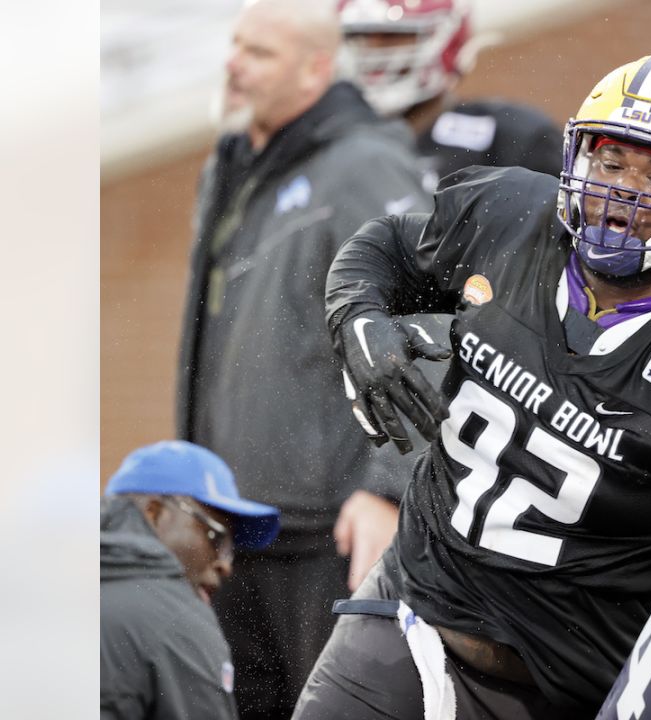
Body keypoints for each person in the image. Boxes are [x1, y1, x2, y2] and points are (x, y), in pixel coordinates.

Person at [292, 56, 651, 719]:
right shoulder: (510, 214)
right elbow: (383, 249)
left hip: (571, 685)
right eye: (611, 164)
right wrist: (360, 321)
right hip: (411, 612)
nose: (624, 192)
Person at [174, 0, 432, 716]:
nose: (233, 64)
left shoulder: (365, 163)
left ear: (317, 68)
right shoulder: (234, 167)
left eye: (259, 52)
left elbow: (428, 320)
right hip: (236, 530)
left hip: (326, 541)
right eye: (235, 45)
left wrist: (388, 486)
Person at [101, 441, 282, 720]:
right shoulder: (176, 618)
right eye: (216, 537)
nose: (224, 565)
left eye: (230, 551)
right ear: (155, 513)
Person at [338, 0, 562, 194]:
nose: (373, 53)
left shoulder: (513, 136)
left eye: (392, 36)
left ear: (446, 40)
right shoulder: (340, 139)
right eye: (363, 38)